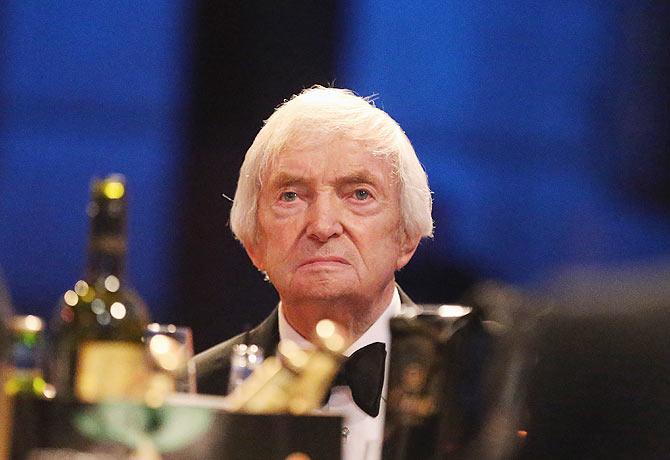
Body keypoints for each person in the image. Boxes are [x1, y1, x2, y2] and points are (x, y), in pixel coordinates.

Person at [195, 85, 433, 459]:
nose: (322, 225)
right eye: (290, 195)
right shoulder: (194, 395)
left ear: (406, 237)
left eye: (359, 194)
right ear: (254, 242)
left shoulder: (474, 393)